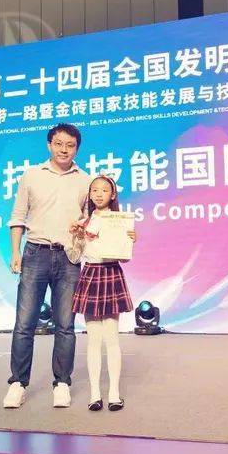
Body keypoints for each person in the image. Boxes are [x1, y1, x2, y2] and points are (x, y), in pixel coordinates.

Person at [3, 123, 90, 409]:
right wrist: (15, 252)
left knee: (66, 325)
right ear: (49, 145)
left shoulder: (85, 180)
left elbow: (92, 221)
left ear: (77, 149)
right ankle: (17, 383)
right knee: (24, 323)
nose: (64, 150)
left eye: (70, 145)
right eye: (59, 144)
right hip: (35, 253)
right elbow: (18, 216)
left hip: (68, 258)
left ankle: (62, 383)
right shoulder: (31, 175)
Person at [69, 175, 136, 412]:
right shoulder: (84, 222)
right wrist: (75, 237)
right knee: (94, 339)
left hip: (111, 273)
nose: (98, 194)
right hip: (90, 275)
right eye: (94, 190)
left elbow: (124, 257)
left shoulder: (120, 220)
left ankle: (114, 393)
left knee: (111, 338)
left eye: (104, 190)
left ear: (113, 194)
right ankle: (95, 394)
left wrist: (131, 240)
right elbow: (74, 256)